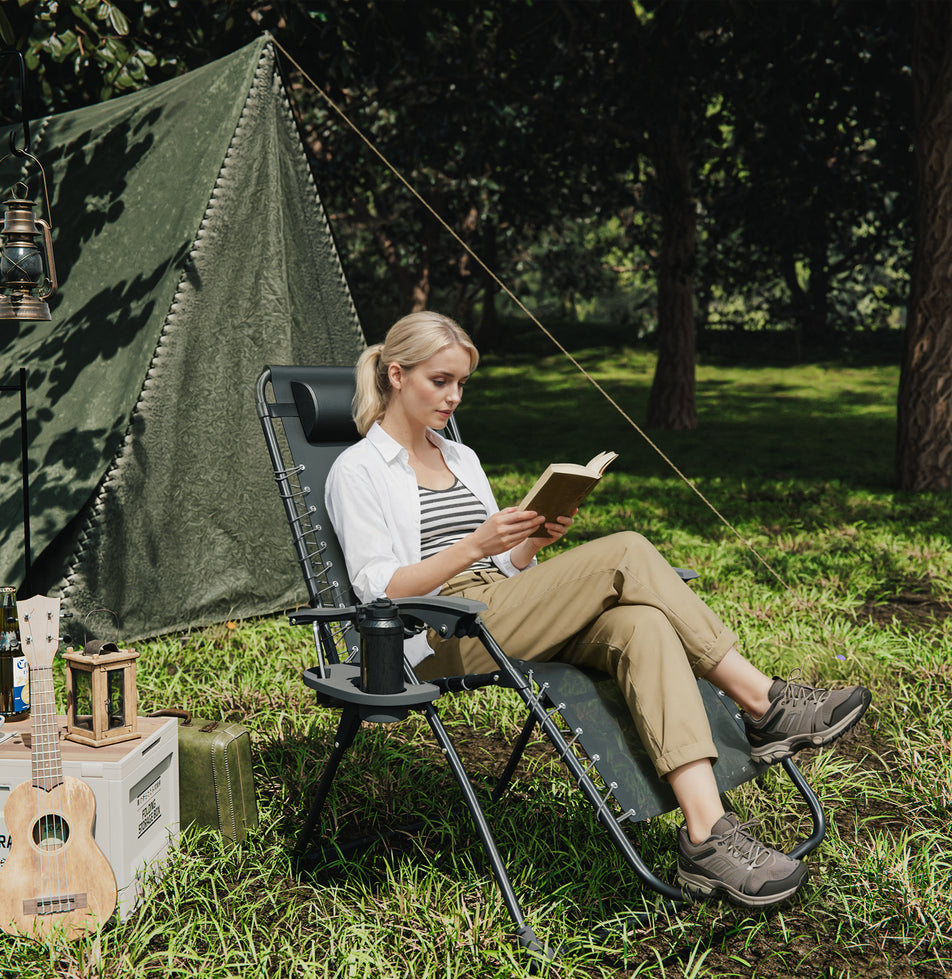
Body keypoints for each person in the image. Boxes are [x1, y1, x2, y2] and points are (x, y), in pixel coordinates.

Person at [325, 311, 870, 909]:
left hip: (503, 607)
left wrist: (532, 543)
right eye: (441, 381)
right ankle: (764, 702)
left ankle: (706, 838)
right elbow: (380, 591)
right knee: (627, 550)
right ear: (397, 375)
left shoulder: (461, 459)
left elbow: (507, 571)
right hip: (436, 632)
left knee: (644, 624)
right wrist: (477, 544)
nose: (454, 397)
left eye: (462, 384)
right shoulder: (357, 471)